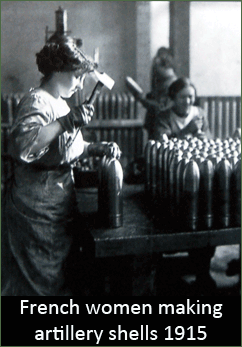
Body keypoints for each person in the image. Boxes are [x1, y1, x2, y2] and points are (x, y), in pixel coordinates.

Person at [1, 35, 121, 296]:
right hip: (35, 209)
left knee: (55, 281)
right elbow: (23, 146)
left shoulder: (60, 102)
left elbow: (65, 148)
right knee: (36, 285)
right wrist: (65, 122)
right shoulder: (37, 101)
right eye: (77, 77)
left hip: (57, 203)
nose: (79, 86)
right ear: (57, 70)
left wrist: (95, 148)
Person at [152, 77, 212, 141]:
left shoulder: (199, 114)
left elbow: (209, 137)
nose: (187, 101)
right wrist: (187, 130)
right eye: (183, 97)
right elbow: (164, 143)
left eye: (190, 97)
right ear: (174, 97)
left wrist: (204, 138)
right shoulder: (164, 117)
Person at [144, 47, 177, 138]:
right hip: (155, 120)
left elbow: (162, 107)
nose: (154, 70)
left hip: (163, 123)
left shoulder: (170, 83)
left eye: (156, 67)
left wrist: (142, 99)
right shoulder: (161, 81)